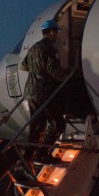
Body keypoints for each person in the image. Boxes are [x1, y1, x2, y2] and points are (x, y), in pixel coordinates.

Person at [20, 19, 69, 162]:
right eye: (56, 33)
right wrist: (70, 70)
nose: (57, 36)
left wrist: (36, 70)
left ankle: (26, 157)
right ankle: (42, 153)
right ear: (52, 32)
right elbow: (54, 71)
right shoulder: (49, 49)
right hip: (45, 92)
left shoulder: (33, 48)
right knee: (56, 123)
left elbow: (23, 66)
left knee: (36, 125)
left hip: (31, 92)